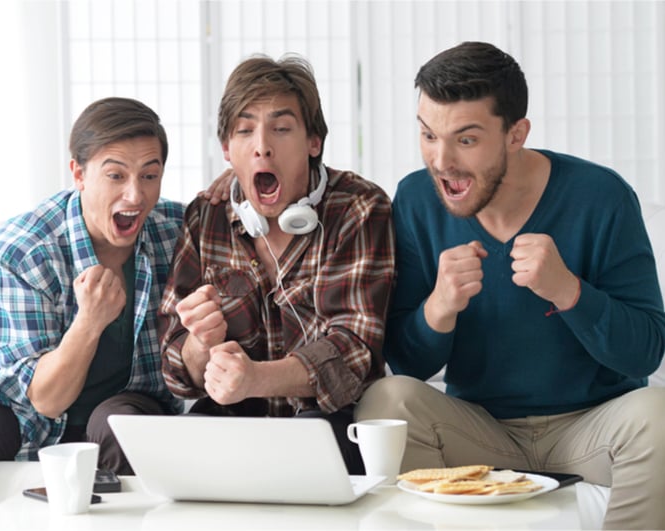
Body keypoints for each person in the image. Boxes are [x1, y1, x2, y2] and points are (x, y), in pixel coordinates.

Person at [355, 41, 665, 529]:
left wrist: (570, 292)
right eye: (428, 136)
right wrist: (439, 308)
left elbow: (646, 352)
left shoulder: (602, 197)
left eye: (467, 140)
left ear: (516, 134)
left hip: (591, 431)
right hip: (479, 430)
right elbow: (409, 364)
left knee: (658, 412)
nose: (442, 161)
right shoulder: (416, 199)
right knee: (385, 400)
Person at [0, 97, 191, 529]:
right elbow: (45, 400)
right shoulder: (21, 249)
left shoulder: (175, 233)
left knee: (119, 426)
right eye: (116, 175)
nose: (136, 194)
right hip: (24, 408)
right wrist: (90, 321)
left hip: (126, 401)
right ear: (78, 173)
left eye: (150, 175)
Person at [158, 54, 395, 474]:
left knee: (307, 448)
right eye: (245, 130)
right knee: (181, 454)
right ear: (228, 150)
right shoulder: (205, 216)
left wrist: (255, 378)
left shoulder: (358, 208)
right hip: (234, 421)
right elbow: (176, 371)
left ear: (313, 142)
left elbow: (354, 351)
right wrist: (199, 344)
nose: (262, 145)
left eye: (282, 129)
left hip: (331, 421)